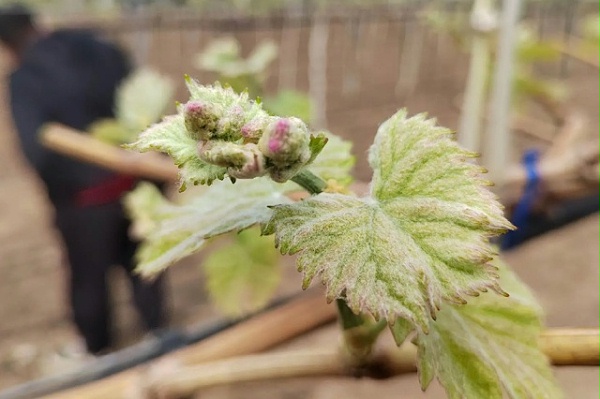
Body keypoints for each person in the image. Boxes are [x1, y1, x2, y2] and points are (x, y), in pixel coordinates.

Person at [0, 5, 167, 355]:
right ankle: (158, 333)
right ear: (38, 24)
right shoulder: (99, 46)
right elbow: (143, 102)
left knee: (88, 279)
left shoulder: (24, 78)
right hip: (141, 182)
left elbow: (38, 151)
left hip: (85, 202)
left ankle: (98, 350)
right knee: (146, 263)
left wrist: (65, 195)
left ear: (6, 45)